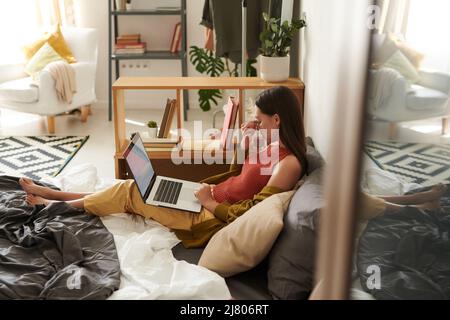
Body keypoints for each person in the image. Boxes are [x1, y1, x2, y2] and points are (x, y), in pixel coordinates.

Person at [19, 86, 309, 248]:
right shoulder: (270, 144)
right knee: (133, 189)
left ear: (277, 120)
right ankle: (54, 197)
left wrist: (210, 202)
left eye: (258, 119)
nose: (254, 123)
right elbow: (241, 176)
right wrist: (245, 145)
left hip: (206, 218)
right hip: (203, 197)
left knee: (131, 190)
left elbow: (251, 211)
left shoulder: (289, 164)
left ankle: (51, 202)